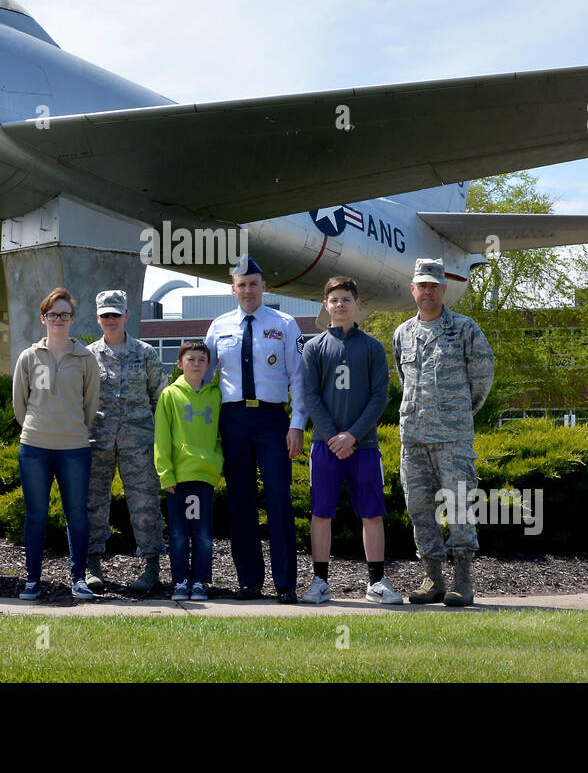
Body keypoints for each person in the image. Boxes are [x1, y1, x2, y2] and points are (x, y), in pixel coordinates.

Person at [204, 254, 308, 603]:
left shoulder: (285, 323)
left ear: (264, 287)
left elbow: (298, 378)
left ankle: (285, 584)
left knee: (279, 498)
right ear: (233, 289)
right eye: (242, 285)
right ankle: (248, 581)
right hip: (233, 420)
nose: (248, 290)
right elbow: (204, 377)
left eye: (253, 284)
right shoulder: (219, 326)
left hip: (272, 420)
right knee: (241, 502)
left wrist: (296, 425)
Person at [393, 258, 495, 607]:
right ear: (413, 289)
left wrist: (458, 414)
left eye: (433, 286)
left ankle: (463, 581)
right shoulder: (402, 333)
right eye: (421, 285)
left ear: (443, 290)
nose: (427, 291)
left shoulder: (465, 329)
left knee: (460, 506)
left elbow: (481, 380)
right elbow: (404, 380)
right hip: (414, 438)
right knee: (420, 508)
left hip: (453, 438)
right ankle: (433, 579)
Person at [299, 277, 402, 605]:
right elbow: (311, 396)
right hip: (325, 446)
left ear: (357, 304)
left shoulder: (371, 347)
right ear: (325, 305)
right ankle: (320, 582)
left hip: (365, 446)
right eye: (334, 300)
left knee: (372, 513)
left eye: (346, 299)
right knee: (321, 513)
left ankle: (376, 583)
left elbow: (379, 396)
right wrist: (333, 436)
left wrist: (352, 435)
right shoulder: (314, 347)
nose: (340, 304)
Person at [12, 287, 101, 601]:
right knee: (36, 515)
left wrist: (72, 429)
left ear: (73, 318)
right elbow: (19, 405)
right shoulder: (28, 357)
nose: (59, 319)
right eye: (53, 314)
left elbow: (90, 405)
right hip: (35, 447)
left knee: (76, 515)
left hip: (75, 448)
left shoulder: (86, 358)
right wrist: (38, 429)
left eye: (65, 314)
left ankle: (78, 579)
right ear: (43, 318)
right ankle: (33, 581)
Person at [85, 290, 167, 594]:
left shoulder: (145, 353)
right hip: (99, 440)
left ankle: (151, 566)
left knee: (144, 503)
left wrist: (162, 441)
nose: (110, 320)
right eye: (105, 315)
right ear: (98, 318)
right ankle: (92, 564)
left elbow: (160, 396)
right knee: (93, 503)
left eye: (115, 315)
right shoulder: (87, 355)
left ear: (126, 317)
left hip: (139, 441)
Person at [153, 340, 222, 602]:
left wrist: (216, 462)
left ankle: (200, 582)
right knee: (179, 534)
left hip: (204, 475)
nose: (196, 364)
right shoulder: (170, 395)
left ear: (208, 365)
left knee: (203, 535)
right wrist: (165, 473)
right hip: (178, 478)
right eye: (190, 359)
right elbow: (161, 437)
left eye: (201, 360)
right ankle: (180, 581)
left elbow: (218, 435)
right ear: (180, 363)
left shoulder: (215, 395)